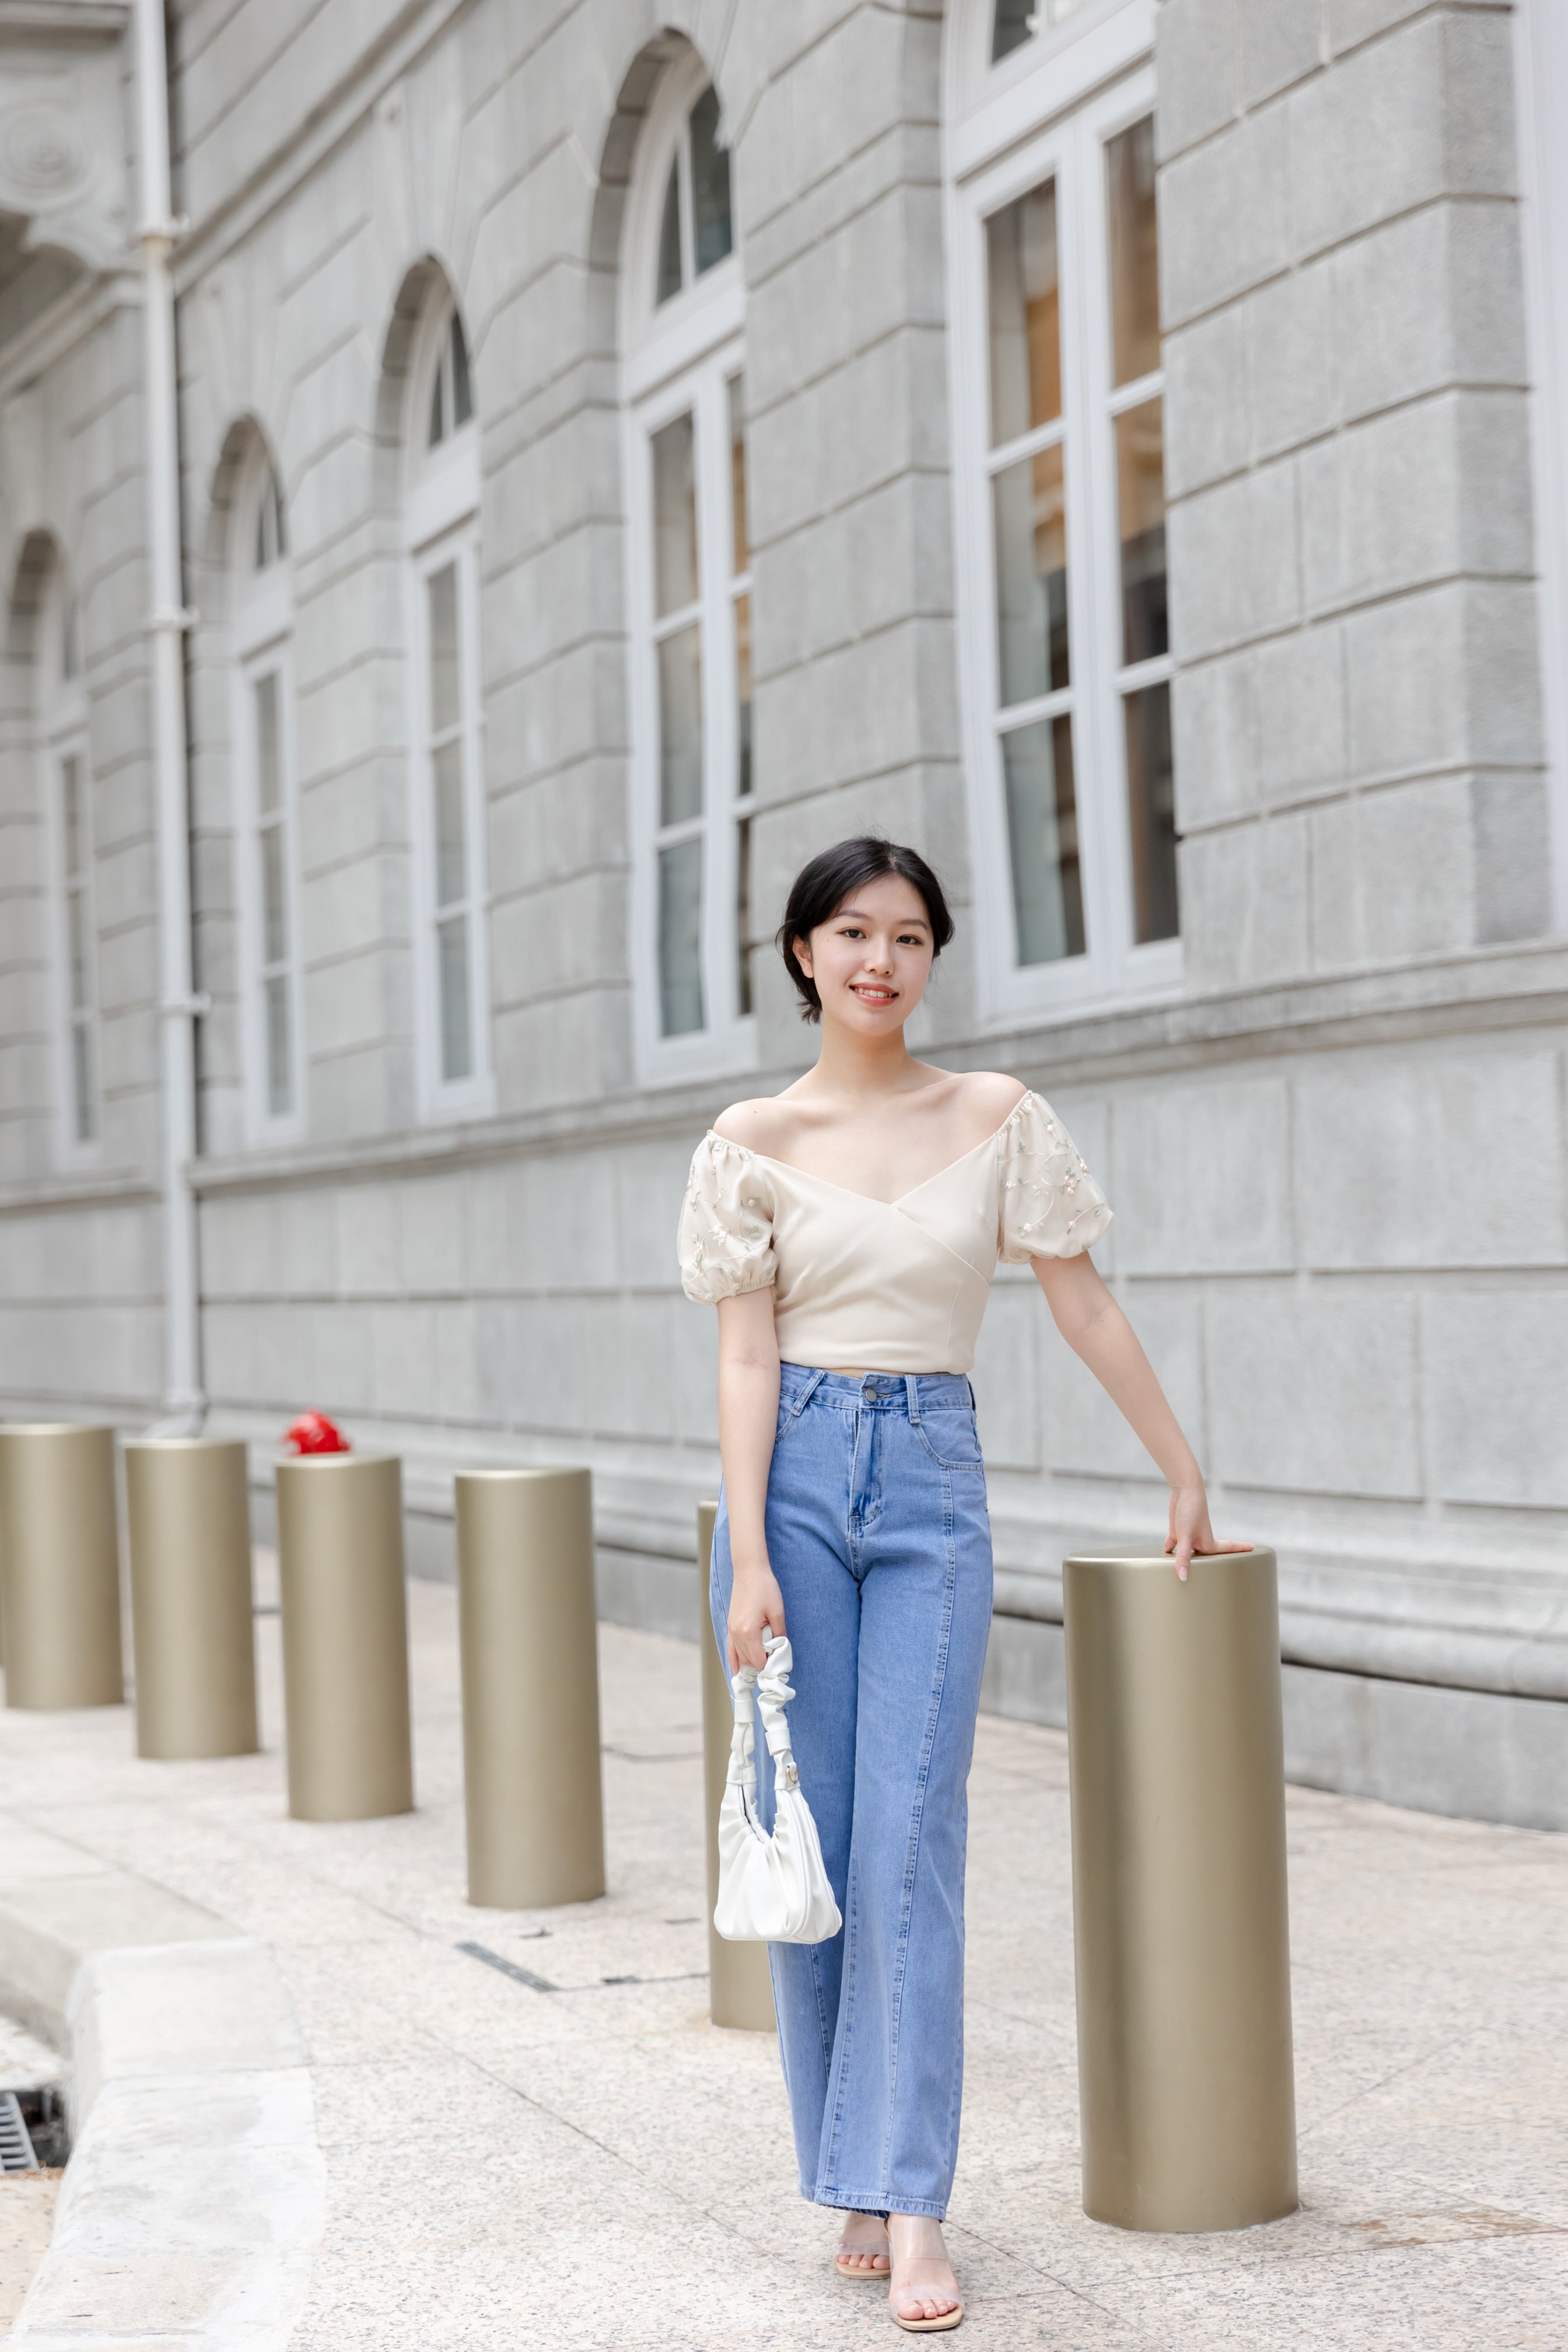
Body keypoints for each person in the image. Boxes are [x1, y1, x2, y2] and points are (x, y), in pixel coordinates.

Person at [677, 836, 1249, 2334]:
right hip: (793, 1479)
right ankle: (849, 2177)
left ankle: (916, 2204)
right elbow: (744, 1354)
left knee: (914, 1845)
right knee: (832, 1849)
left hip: (933, 1470)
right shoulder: (749, 1136)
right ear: (802, 952)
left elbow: (1083, 1302)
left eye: (910, 937)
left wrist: (1180, 1467)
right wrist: (747, 1554)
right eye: (852, 933)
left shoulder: (995, 1117)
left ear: (935, 958)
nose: (881, 960)